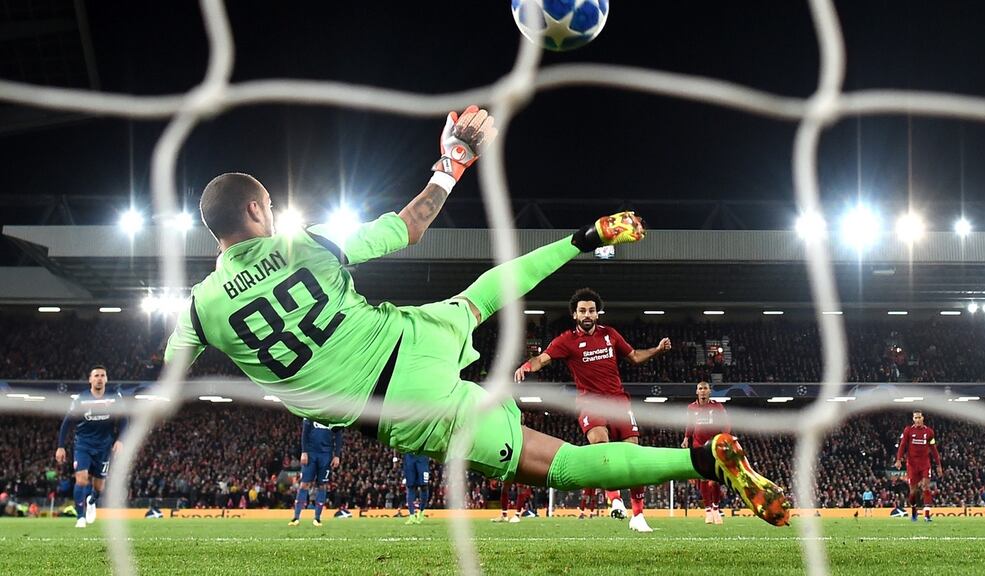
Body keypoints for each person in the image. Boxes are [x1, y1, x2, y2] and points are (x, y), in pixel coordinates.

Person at [163, 105, 790, 528]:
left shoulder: (198, 307)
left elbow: (167, 386)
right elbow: (410, 226)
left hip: (400, 409)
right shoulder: (307, 244)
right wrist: (451, 164)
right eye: (268, 206)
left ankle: (705, 464)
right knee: (480, 296)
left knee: (564, 467)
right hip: (409, 337)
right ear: (255, 209)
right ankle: (582, 237)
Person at [514, 288, 672, 532]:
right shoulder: (566, 340)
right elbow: (543, 358)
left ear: (597, 314)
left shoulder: (610, 335)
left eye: (591, 310)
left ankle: (638, 515)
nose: (587, 314)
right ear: (575, 315)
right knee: (601, 445)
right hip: (591, 403)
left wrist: (658, 350)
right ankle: (615, 499)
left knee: (634, 455)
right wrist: (527, 365)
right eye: (582, 311)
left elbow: (634, 357)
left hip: (619, 401)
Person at [55, 366, 126, 528]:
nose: (99, 378)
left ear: (106, 379)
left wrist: (120, 440)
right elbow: (67, 422)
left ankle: (92, 501)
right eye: (96, 376)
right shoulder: (81, 399)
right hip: (83, 445)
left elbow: (124, 419)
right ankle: (80, 517)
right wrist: (60, 446)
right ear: (90, 379)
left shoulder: (114, 398)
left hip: (104, 446)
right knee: (81, 479)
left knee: (99, 486)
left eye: (102, 375)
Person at [682, 381, 730, 525]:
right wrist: (686, 438)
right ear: (696, 392)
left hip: (714, 446)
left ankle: (716, 508)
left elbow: (725, 424)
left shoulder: (717, 406)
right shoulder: (691, 407)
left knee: (714, 480)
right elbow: (690, 425)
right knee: (703, 479)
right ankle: (708, 510)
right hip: (698, 446)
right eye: (700, 389)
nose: (703, 391)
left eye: (705, 389)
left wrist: (726, 437)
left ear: (710, 391)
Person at [289, 418, 342, 526]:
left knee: (322, 485)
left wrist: (337, 455)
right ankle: (296, 518)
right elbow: (305, 433)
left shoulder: (335, 416)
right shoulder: (312, 413)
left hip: (326, 455)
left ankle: (317, 518)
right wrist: (304, 452)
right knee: (304, 484)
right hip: (311, 453)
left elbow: (338, 436)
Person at [895, 410, 943, 522]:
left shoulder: (929, 432)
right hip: (911, 464)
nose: (917, 420)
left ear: (923, 418)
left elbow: (933, 449)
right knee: (913, 491)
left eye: (919, 417)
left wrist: (938, 465)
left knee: (926, 487)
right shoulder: (908, 431)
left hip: (925, 464)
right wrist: (898, 459)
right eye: (915, 418)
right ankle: (914, 511)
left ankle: (927, 515)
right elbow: (902, 445)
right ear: (913, 419)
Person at [402, 453, 431, 525]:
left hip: (422, 455)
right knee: (411, 486)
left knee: (424, 486)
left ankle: (421, 512)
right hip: (409, 456)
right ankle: (412, 516)